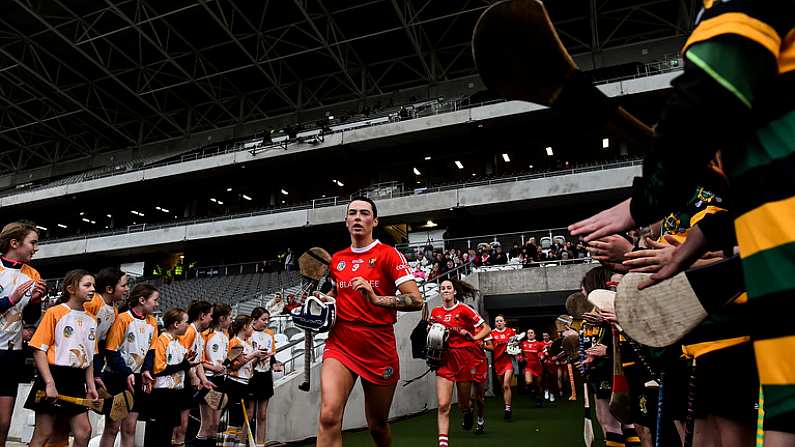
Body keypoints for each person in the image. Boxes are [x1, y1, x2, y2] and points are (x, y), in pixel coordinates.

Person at [316, 197, 422, 447]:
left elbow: (416, 300)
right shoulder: (337, 260)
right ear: (346, 221)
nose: (357, 217)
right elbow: (335, 294)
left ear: (374, 221)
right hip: (341, 344)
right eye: (352, 213)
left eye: (364, 213)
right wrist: (322, 301)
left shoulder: (388, 255)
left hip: (378, 346)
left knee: (377, 425)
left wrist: (376, 299)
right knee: (329, 415)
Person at [25, 270, 98, 447]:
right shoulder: (54, 312)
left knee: (84, 432)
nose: (92, 289)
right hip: (54, 375)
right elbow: (38, 350)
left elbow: (89, 357)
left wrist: (91, 385)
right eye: (87, 285)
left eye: (93, 285)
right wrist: (49, 383)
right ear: (71, 289)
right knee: (44, 432)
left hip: (76, 380)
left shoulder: (92, 319)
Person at [0, 221, 47, 445]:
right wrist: (9, 300)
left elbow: (29, 318)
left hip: (11, 354)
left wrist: (36, 302)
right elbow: (11, 302)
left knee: (3, 422)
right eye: (33, 242)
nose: (36, 248)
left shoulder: (33, 274)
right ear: (14, 242)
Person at [430, 279, 491, 446]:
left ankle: (468, 412)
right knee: (443, 404)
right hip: (445, 360)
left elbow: (486, 328)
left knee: (464, 404)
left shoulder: (464, 310)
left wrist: (473, 337)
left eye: (449, 288)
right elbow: (434, 334)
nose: (446, 290)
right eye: (442, 288)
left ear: (454, 291)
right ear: (440, 292)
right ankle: (443, 442)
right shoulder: (435, 312)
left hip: (464, 359)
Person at [99, 284, 160, 447]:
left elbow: (151, 351)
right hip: (117, 378)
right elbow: (112, 351)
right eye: (155, 300)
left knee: (130, 428)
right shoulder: (123, 319)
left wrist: (146, 370)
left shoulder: (153, 322)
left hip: (138, 378)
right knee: (112, 427)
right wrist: (126, 372)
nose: (157, 304)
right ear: (142, 300)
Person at [144, 308, 197, 447]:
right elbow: (159, 368)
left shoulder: (178, 342)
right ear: (176, 324)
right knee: (157, 434)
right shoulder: (162, 340)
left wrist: (187, 364)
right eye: (186, 322)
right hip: (162, 393)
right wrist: (184, 365)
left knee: (168, 432)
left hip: (175, 392)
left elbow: (182, 365)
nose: (188, 325)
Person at [173, 300, 215, 447]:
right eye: (210, 315)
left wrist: (203, 379)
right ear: (202, 316)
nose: (212, 319)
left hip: (187, 382)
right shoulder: (189, 331)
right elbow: (182, 358)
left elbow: (198, 361)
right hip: (179, 381)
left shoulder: (198, 334)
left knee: (183, 425)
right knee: (179, 425)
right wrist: (193, 377)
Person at [85, 268, 128, 394]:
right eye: (123, 285)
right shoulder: (93, 302)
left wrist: (96, 372)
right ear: (109, 289)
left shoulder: (114, 310)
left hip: (91, 358)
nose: (127, 289)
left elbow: (101, 344)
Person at [196, 303, 232, 447]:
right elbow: (197, 360)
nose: (231, 320)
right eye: (230, 317)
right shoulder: (205, 335)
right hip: (208, 380)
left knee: (216, 425)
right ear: (222, 318)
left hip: (220, 380)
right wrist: (212, 367)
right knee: (207, 424)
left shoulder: (225, 335)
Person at [223, 316, 263, 444]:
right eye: (251, 325)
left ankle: (236, 443)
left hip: (244, 382)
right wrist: (254, 355)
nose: (252, 328)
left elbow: (250, 365)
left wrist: (259, 356)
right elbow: (234, 364)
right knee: (234, 420)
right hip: (235, 382)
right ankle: (228, 444)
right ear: (245, 326)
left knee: (241, 420)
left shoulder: (247, 343)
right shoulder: (235, 342)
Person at [249, 307, 283, 446]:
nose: (266, 322)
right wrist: (256, 357)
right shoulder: (248, 333)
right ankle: (244, 442)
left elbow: (271, 354)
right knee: (249, 414)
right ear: (254, 320)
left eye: (268, 319)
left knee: (262, 415)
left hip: (265, 376)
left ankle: (260, 443)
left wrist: (274, 364)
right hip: (252, 376)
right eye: (263, 319)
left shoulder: (269, 334)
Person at [489, 315, 517, 420]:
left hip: (509, 361)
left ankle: (508, 409)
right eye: (497, 321)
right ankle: (507, 403)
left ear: (505, 322)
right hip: (498, 362)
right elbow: (490, 347)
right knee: (503, 386)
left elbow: (516, 344)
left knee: (506, 385)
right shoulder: (491, 333)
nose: (499, 322)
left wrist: (514, 345)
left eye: (500, 321)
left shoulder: (511, 331)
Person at [519, 329, 545, 407]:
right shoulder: (523, 343)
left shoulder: (539, 344)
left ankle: (539, 399)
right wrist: (520, 358)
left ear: (534, 335)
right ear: (527, 335)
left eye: (531, 333)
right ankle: (532, 391)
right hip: (528, 366)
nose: (530, 334)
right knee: (528, 382)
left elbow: (543, 352)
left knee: (538, 384)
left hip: (537, 366)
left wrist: (542, 355)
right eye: (528, 333)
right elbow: (519, 353)